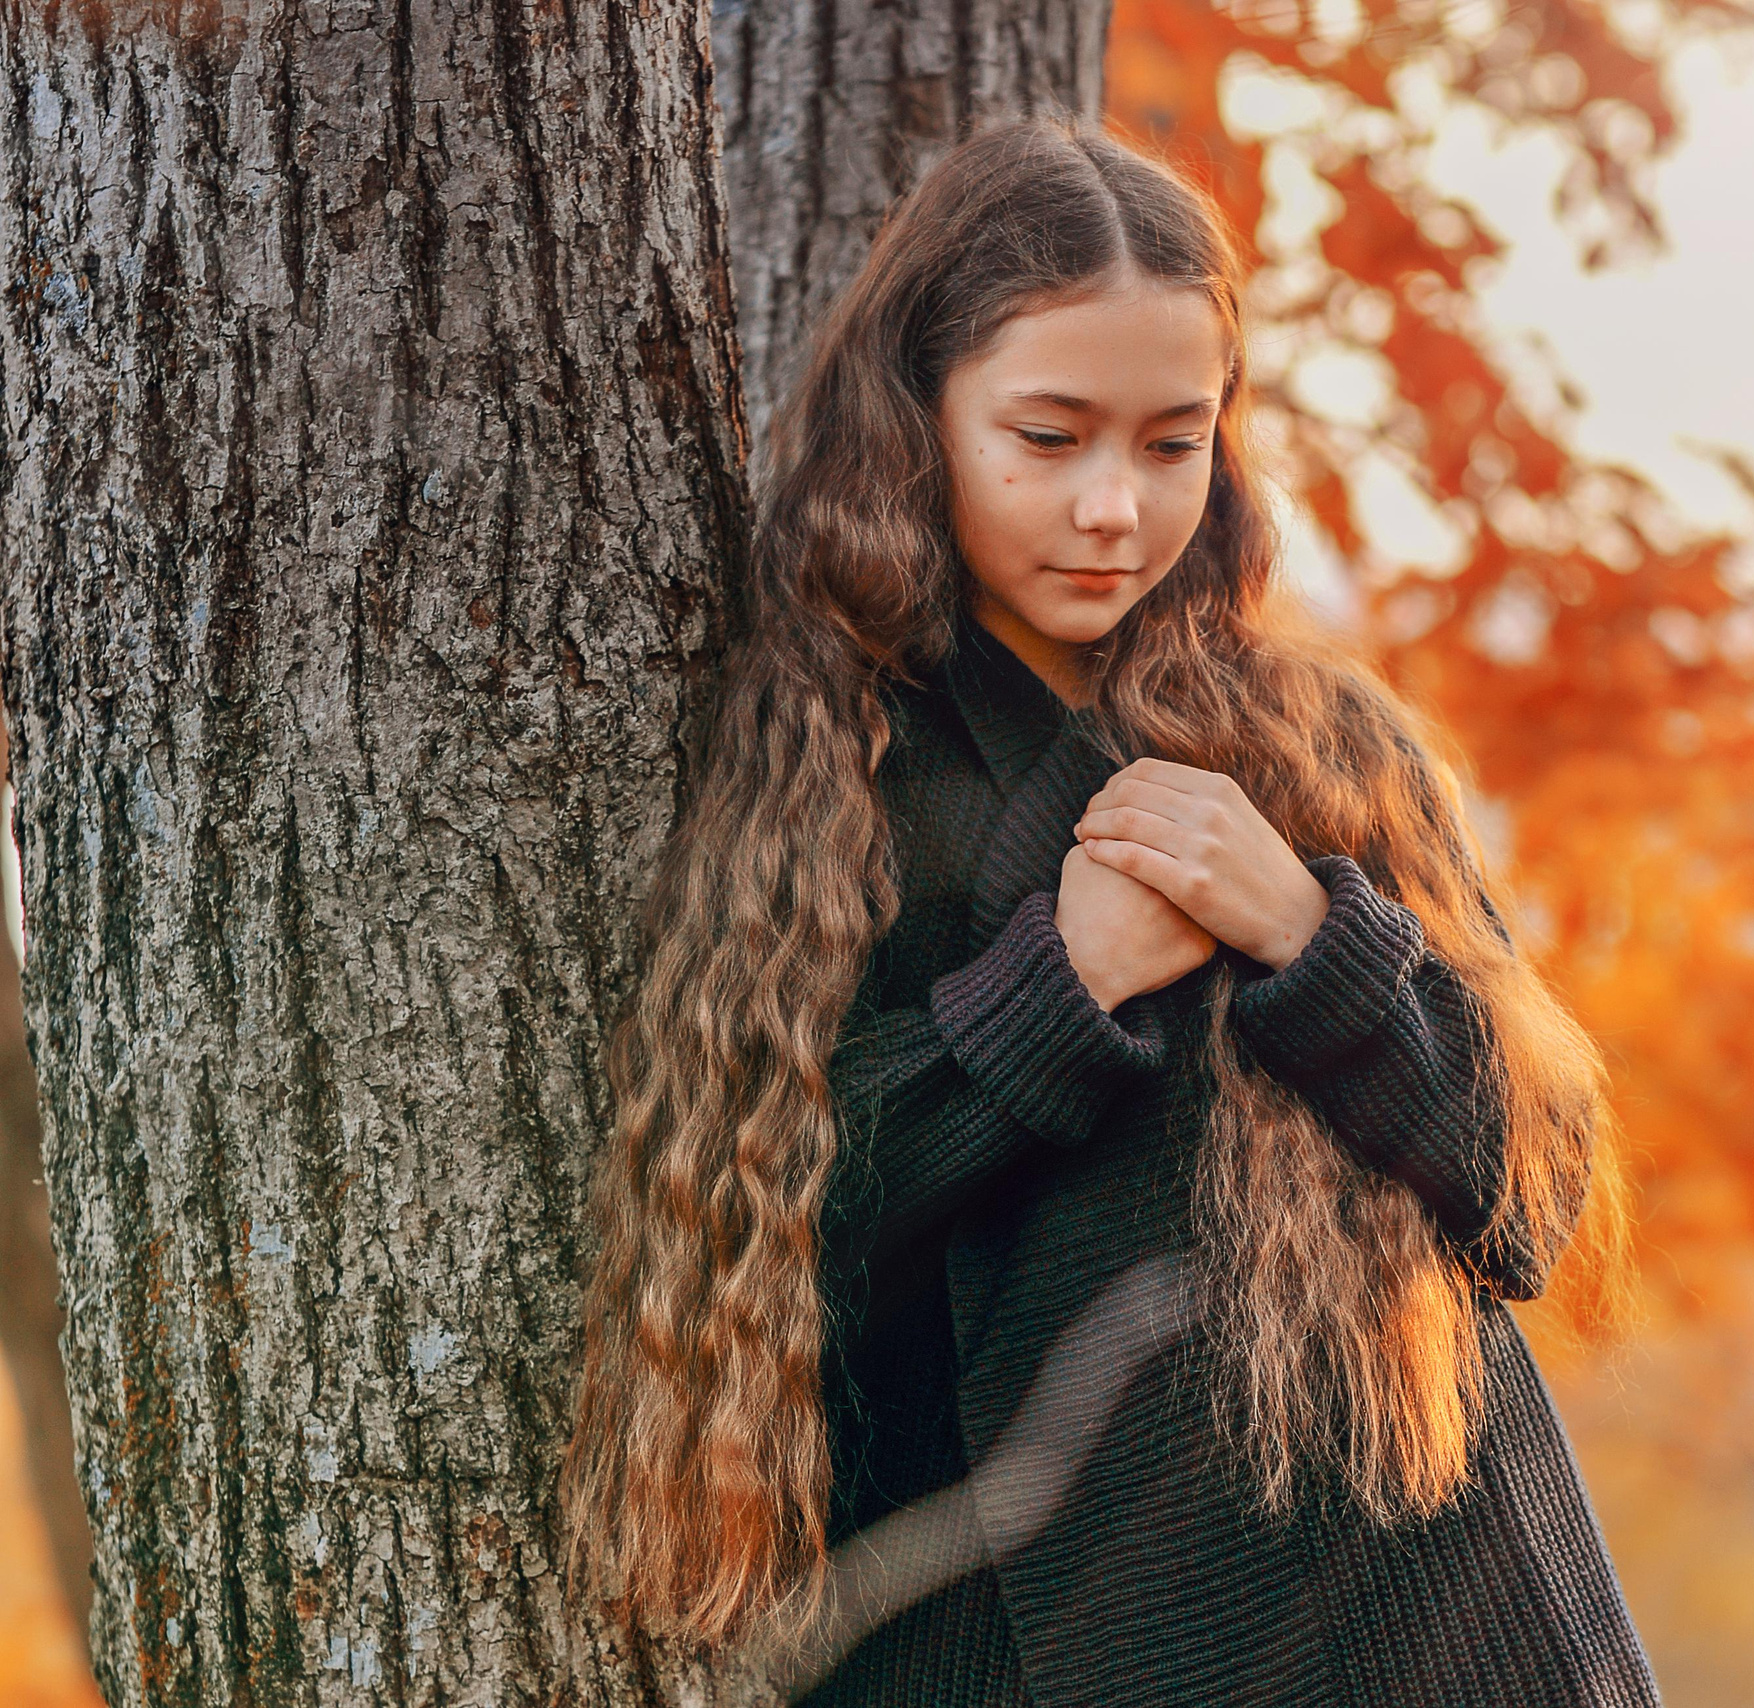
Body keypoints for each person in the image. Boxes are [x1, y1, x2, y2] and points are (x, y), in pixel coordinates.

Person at [558, 114, 1660, 1706]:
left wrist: (1314, 939)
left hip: (1423, 1616)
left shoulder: (1320, 751)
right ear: (919, 417)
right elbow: (747, 1257)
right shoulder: (810, 777)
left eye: (1170, 441)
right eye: (1050, 436)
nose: (1114, 512)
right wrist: (1048, 996)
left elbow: (1529, 1205)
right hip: (993, 1627)